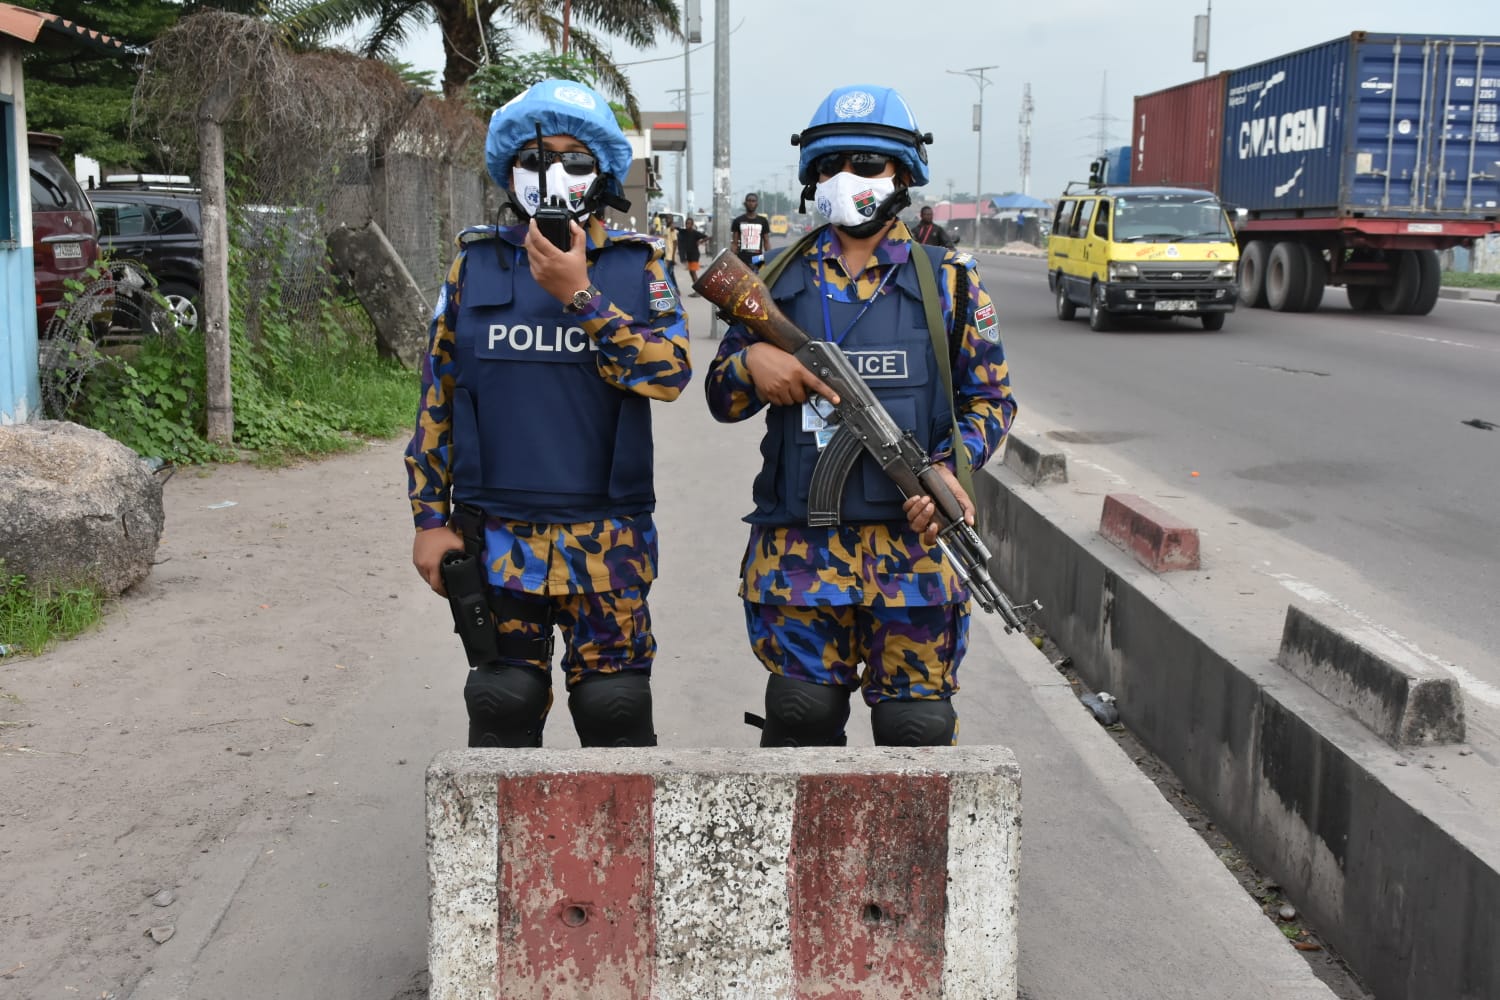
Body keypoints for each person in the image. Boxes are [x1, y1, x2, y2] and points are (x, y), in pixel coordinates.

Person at [703, 84, 1016, 748]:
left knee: (917, 730)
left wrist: (949, 470)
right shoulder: (776, 280)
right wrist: (751, 367)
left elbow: (991, 400)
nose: (847, 178)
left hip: (914, 557)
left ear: (903, 174)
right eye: (831, 164)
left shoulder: (947, 281)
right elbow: (721, 399)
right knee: (800, 721)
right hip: (798, 557)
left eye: (867, 165)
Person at [405, 79, 692, 749]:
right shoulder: (473, 268)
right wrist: (426, 520)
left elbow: (670, 373)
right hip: (496, 539)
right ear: (508, 168)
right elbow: (436, 401)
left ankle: (622, 854)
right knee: (503, 703)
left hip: (608, 543)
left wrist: (581, 296)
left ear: (605, 173)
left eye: (573, 157)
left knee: (614, 708)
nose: (552, 174)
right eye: (535, 158)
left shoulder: (636, 269)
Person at [730, 192, 772, 269]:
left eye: (753, 201)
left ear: (757, 204)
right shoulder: (738, 221)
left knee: (759, 279)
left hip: (758, 258)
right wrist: (731, 258)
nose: (751, 203)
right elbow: (734, 243)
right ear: (745, 203)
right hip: (742, 257)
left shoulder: (763, 221)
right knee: (742, 280)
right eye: (749, 201)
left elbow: (766, 241)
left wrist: (769, 257)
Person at [676, 216, 710, 294]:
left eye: (689, 224)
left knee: (693, 272)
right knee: (691, 273)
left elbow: (707, 237)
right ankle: (697, 289)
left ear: (692, 224)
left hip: (694, 255)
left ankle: (699, 291)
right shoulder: (684, 232)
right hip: (689, 255)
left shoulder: (695, 233)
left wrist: (700, 242)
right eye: (686, 223)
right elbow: (677, 229)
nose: (687, 225)